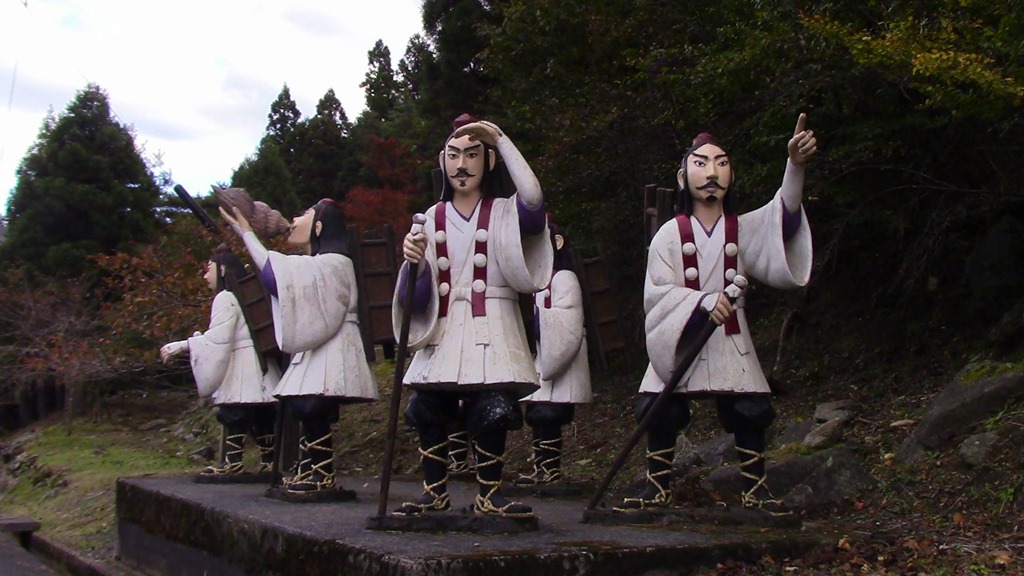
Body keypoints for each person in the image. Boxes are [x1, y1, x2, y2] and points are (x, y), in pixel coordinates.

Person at [618, 114, 816, 513]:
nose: (712, 173)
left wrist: (794, 166)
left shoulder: (741, 228)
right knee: (659, 407)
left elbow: (783, 219)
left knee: (749, 409)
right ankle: (657, 485)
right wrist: (701, 302)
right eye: (702, 163)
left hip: (731, 338)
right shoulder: (668, 235)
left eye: (721, 164)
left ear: (731, 174)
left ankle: (755, 488)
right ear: (682, 177)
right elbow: (657, 293)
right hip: (681, 337)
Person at [393, 114, 552, 517]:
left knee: (493, 405)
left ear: (489, 161)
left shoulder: (504, 211)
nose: (461, 165)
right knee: (427, 404)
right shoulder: (429, 218)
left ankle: (489, 492)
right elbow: (417, 298)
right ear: (442, 161)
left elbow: (534, 200)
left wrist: (500, 138)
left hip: (492, 323)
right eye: (453, 155)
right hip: (444, 328)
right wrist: (413, 264)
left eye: (472, 155)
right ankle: (434, 491)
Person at [220, 199, 378, 494]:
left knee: (313, 405)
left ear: (318, 227)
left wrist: (247, 234)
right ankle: (310, 468)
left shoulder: (333, 263)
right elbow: (284, 280)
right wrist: (245, 233)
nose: (294, 219)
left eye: (304, 214)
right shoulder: (319, 263)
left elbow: (275, 278)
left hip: (332, 346)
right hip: (318, 344)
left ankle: (322, 472)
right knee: (304, 406)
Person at [161, 245, 280, 478]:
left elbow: (218, 337)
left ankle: (233, 463)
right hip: (261, 363)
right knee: (262, 413)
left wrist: (182, 345)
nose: (206, 276)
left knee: (234, 412)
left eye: (209, 269)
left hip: (242, 366)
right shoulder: (245, 295)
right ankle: (269, 461)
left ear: (222, 269)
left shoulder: (225, 298)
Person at [515, 220, 592, 487]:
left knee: (549, 413)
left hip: (560, 359)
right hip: (541, 358)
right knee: (537, 413)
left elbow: (568, 319)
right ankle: (543, 468)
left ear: (556, 243)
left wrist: (539, 322)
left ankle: (550, 470)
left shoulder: (564, 279)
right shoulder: (535, 283)